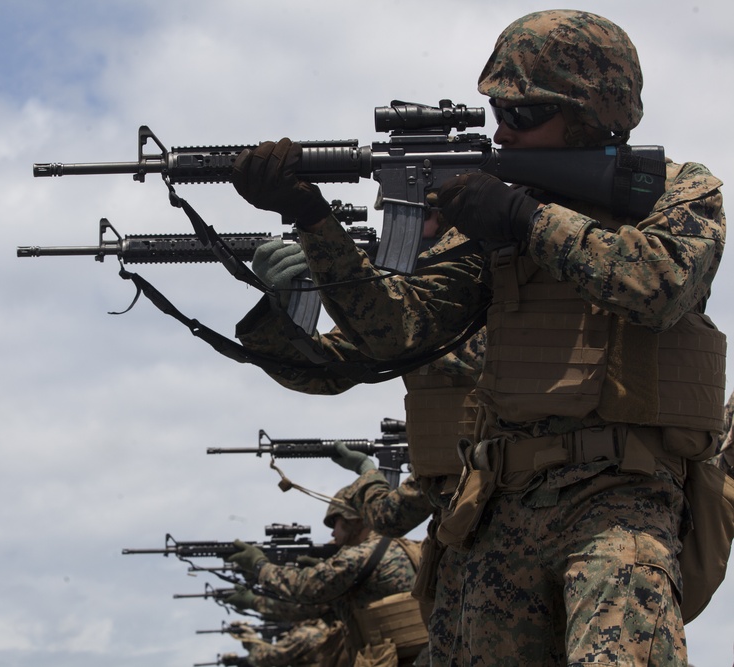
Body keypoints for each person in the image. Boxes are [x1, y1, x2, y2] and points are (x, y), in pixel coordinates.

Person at [230, 9, 726, 665]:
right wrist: (310, 217)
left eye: (522, 116)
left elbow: (656, 284)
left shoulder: (678, 192)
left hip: (619, 502)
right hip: (500, 513)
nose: (503, 132)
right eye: (498, 113)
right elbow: (397, 332)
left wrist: (524, 218)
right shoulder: (487, 230)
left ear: (591, 112)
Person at [236, 220, 481, 666]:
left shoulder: (498, 295)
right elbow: (318, 367)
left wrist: (367, 473)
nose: (333, 533)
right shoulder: (433, 315)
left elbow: (390, 516)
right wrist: (278, 310)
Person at [226, 490, 426, 667]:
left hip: (393, 657)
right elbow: (313, 607)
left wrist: (259, 566)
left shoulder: (358, 556)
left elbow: (304, 588)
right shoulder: (407, 546)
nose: (332, 532)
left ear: (352, 519)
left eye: (335, 523)